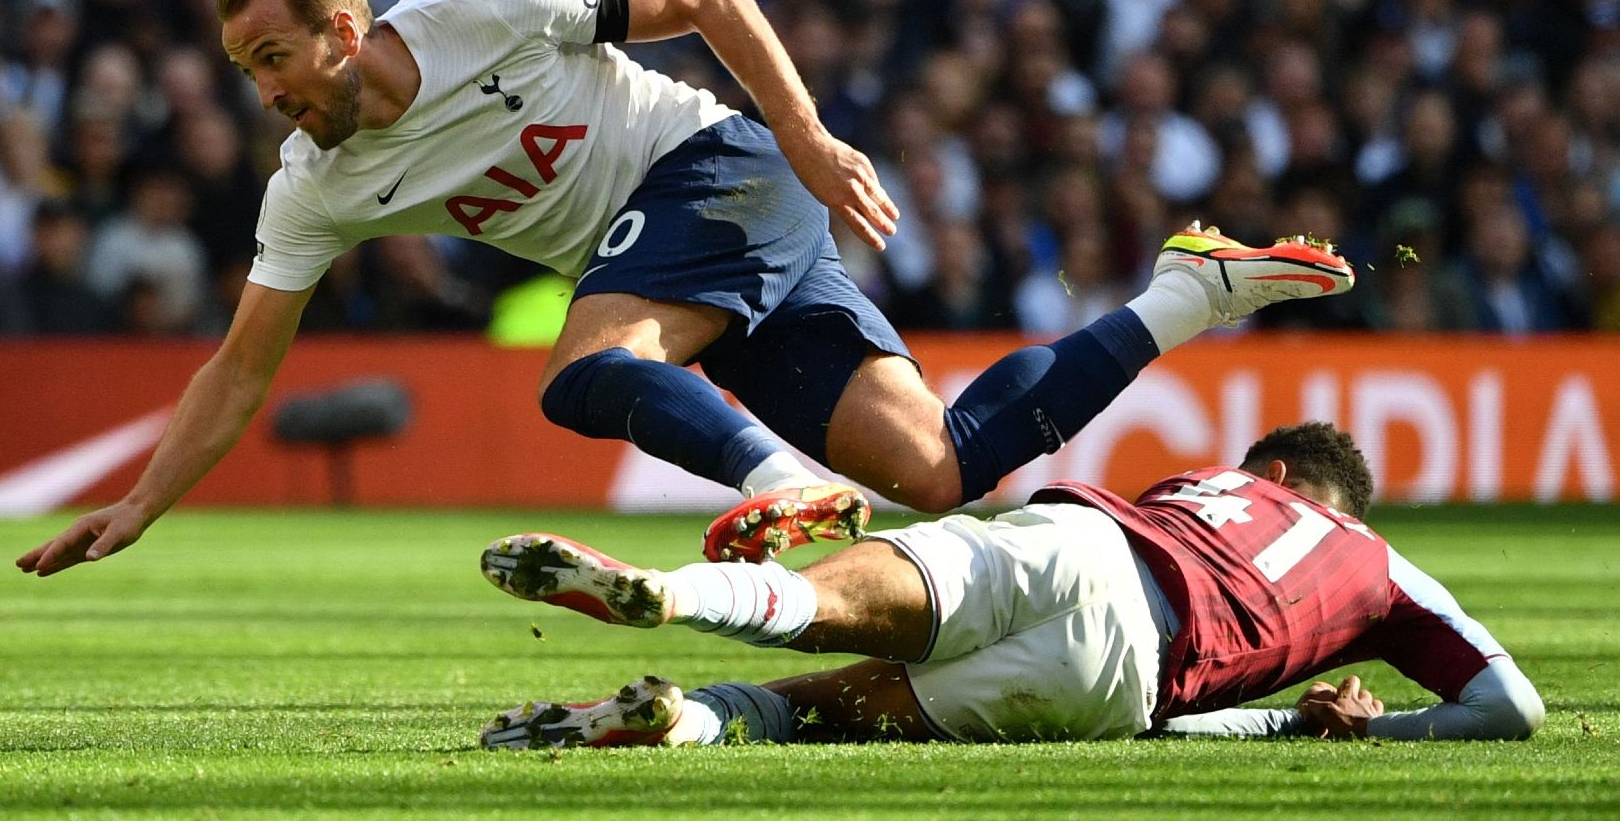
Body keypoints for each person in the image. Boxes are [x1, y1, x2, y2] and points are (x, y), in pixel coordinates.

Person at [18, 0, 1354, 578]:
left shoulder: (491, 5)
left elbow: (712, 0)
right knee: (941, 472)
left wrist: (814, 137)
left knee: (586, 367)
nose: (262, 93)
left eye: (270, 58)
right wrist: (142, 504)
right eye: (245, 68)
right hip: (690, 258)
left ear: (344, 28)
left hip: (716, 172)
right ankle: (1189, 293)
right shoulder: (313, 185)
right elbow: (241, 367)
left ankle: (778, 486)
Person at [477, 421, 1545, 748]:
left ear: (1270, 477)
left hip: (1088, 544)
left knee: (823, 605)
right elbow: (1512, 709)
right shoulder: (1385, 574)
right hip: (1121, 680)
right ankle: (679, 727)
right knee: (816, 719)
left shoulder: (1216, 483)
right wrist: (1366, 732)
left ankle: (671, 593)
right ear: (1346, 510)